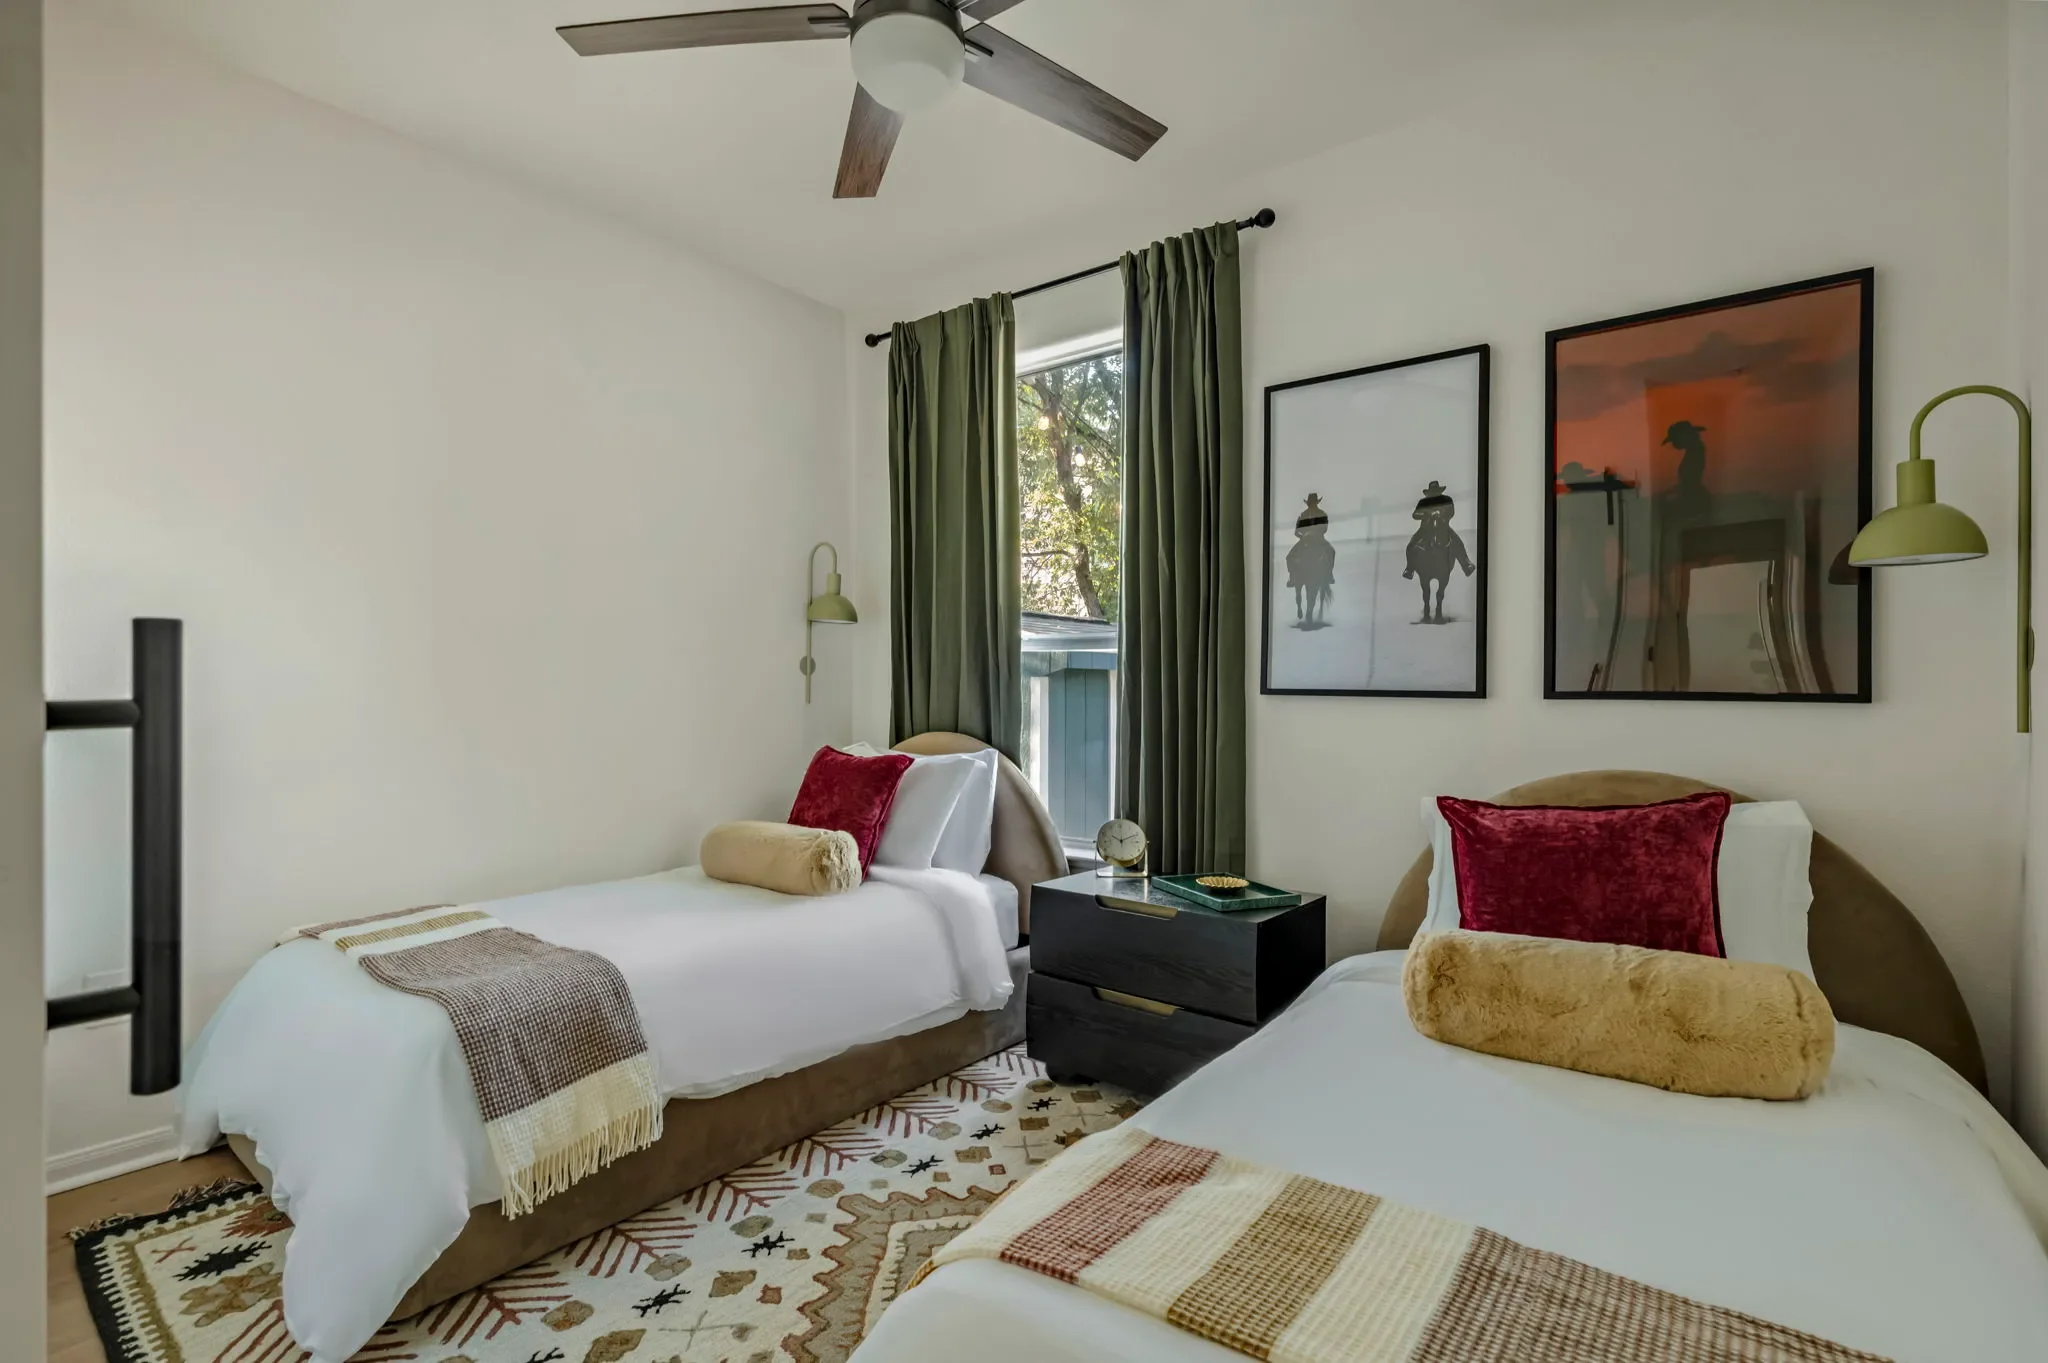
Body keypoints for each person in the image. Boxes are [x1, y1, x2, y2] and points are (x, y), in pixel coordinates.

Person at [1285, 493, 1336, 625]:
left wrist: (1314, 532)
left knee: (1331, 552)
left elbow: (1325, 529)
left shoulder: (1322, 514)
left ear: (1315, 503)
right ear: (1309, 503)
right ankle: (1292, 577)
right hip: (1306, 540)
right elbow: (1296, 531)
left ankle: (1329, 573)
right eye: (1311, 503)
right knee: (1289, 556)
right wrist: (1304, 535)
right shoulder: (1303, 515)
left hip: (1318, 539)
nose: (1312, 505)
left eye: (1313, 503)